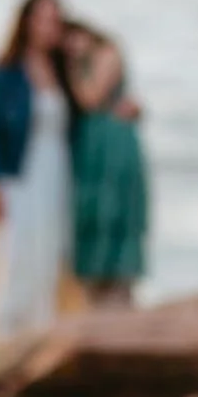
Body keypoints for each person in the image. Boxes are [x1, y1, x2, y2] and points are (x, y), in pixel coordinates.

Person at [0, 0, 72, 358]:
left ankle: (38, 337)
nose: (48, 26)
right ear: (25, 23)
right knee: (12, 255)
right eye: (41, 18)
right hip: (18, 174)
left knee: (47, 254)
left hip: (54, 173)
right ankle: (2, 341)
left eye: (54, 19)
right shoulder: (7, 71)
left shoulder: (62, 70)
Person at [62, 20, 149, 307]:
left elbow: (91, 97)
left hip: (109, 149)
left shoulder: (106, 53)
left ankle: (117, 304)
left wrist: (73, 64)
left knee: (114, 215)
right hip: (88, 151)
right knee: (90, 219)